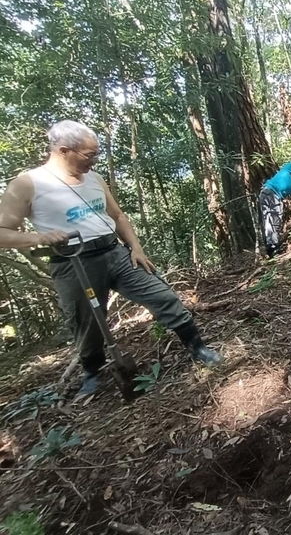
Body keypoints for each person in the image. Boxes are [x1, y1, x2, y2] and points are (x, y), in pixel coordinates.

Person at [0, 121, 222, 398]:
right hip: (73, 262)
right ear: (64, 150)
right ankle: (92, 372)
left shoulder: (94, 178)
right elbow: (3, 233)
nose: (94, 161)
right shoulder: (28, 183)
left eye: (96, 154)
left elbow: (117, 216)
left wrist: (136, 248)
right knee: (86, 321)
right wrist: (38, 238)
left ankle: (197, 347)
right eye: (89, 155)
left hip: (115, 253)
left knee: (162, 295)